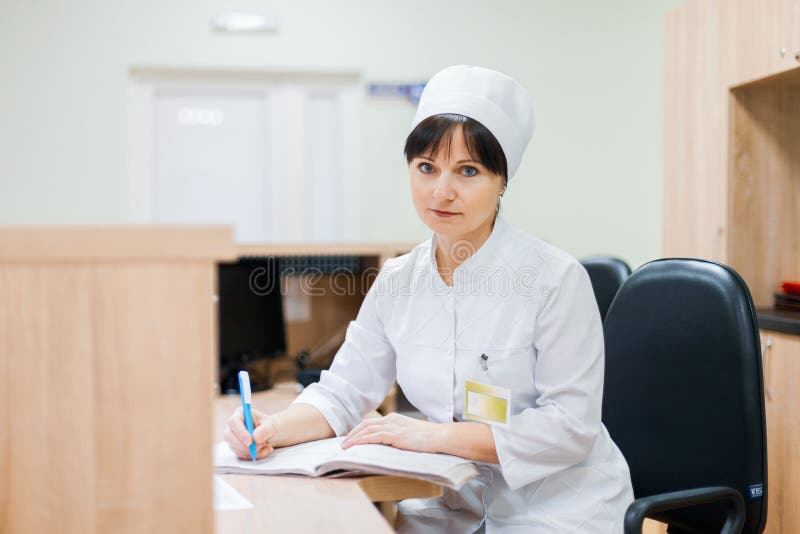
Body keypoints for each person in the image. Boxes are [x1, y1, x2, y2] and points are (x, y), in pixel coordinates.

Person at [225, 65, 634, 532]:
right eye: (426, 168)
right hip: (446, 506)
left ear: (501, 181)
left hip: (556, 511)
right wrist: (272, 428)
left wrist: (434, 437)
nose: (441, 192)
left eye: (468, 171)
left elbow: (570, 429)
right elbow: (342, 393)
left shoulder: (555, 280)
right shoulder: (398, 279)